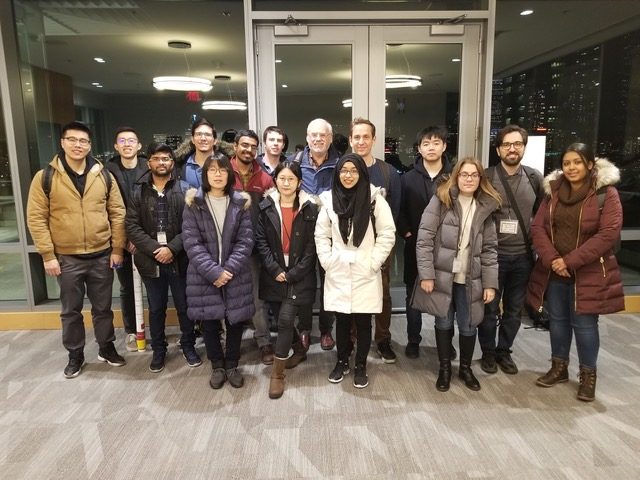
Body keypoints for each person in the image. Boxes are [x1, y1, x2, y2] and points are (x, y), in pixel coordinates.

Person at [26, 121, 127, 378]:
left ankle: (106, 347)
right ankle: (75, 354)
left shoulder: (103, 175)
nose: (77, 145)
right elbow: (36, 218)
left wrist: (117, 248)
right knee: (70, 310)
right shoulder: (46, 177)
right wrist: (48, 255)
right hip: (67, 257)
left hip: (101, 253)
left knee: (103, 308)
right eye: (72, 140)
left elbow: (117, 213)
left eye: (83, 141)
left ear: (89, 145)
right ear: (62, 142)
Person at [526, 143, 624, 402]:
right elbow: (538, 228)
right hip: (555, 270)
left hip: (589, 271)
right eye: (566, 163)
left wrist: (569, 261)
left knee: (585, 324)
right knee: (557, 320)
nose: (571, 167)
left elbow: (608, 234)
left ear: (590, 164)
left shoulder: (605, 193)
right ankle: (559, 368)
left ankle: (588, 376)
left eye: (577, 162)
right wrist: (553, 259)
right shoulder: (553, 192)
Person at [412, 157, 500, 392]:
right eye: (464, 174)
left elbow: (490, 249)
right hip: (442, 275)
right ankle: (444, 369)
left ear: (480, 179)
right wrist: (426, 275)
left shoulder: (486, 206)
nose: (469, 179)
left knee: (469, 324)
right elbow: (424, 240)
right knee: (443, 320)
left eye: (474, 175)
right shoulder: (441, 200)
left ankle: (465, 368)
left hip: (472, 278)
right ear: (456, 176)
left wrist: (490, 284)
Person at [315, 153, 396, 388]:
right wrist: (327, 261)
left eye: (353, 171)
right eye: (344, 171)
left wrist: (374, 262)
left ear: (361, 173)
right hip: (338, 268)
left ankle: (361, 365)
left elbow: (388, 233)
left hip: (365, 269)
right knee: (341, 320)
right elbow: (321, 234)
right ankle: (342, 361)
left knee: (363, 321)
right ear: (337, 173)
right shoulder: (329, 200)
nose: (348, 175)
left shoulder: (374, 199)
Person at [125, 142, 201, 373]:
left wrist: (172, 248)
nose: (161, 162)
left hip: (180, 259)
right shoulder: (138, 191)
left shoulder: (186, 189)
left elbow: (192, 225)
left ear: (172, 163)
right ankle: (159, 349)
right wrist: (155, 250)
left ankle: (188, 345)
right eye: (156, 158)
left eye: (166, 158)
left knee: (184, 306)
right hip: (150, 260)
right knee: (156, 308)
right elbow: (131, 226)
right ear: (149, 163)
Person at [182, 152, 255, 389]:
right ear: (205, 175)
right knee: (210, 322)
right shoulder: (194, 204)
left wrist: (228, 269)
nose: (217, 174)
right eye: (212, 170)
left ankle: (232, 364)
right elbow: (192, 243)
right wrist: (214, 272)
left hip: (235, 273)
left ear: (229, 174)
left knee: (235, 321)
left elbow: (246, 241)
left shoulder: (240, 203)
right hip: (204, 275)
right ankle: (217, 366)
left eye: (222, 170)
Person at [478, 124, 544, 376]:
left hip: (523, 256)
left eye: (517, 144)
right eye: (507, 144)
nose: (512, 149)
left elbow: (541, 216)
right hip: (492, 256)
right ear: (498, 149)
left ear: (524, 148)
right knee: (489, 309)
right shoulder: (486, 177)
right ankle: (487, 352)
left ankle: (503, 351)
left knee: (514, 310)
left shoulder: (534, 178)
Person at [255, 161, 319, 399]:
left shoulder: (310, 209)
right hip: (273, 272)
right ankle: (300, 350)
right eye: (282, 178)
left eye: (291, 179)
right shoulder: (265, 207)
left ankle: (277, 375)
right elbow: (260, 241)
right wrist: (274, 269)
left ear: (299, 182)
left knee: (284, 320)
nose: (286, 183)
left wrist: (294, 273)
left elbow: (313, 246)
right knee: (277, 312)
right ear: (275, 181)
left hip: (298, 274)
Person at [397, 126, 453, 359]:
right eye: (426, 144)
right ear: (419, 149)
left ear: (444, 146)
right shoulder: (407, 178)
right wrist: (408, 234)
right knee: (413, 295)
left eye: (436, 143)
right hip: (415, 247)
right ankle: (413, 340)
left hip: (448, 248)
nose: (431, 148)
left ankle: (446, 342)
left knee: (446, 294)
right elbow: (399, 211)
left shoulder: (454, 177)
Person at [348, 117, 401, 363]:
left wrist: (382, 245)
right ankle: (353, 339)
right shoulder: (344, 169)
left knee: (383, 294)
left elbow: (395, 211)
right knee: (353, 293)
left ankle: (382, 340)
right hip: (350, 246)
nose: (361, 141)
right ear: (351, 140)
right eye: (357, 137)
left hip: (379, 246)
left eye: (366, 137)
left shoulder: (388, 173)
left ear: (374, 139)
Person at [290, 118, 341, 351]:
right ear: (307, 137)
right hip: (302, 233)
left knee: (329, 281)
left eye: (323, 135)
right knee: (303, 283)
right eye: (314, 135)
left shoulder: (340, 164)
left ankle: (326, 329)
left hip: (331, 234)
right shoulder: (294, 163)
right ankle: (304, 329)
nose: (318, 139)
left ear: (330, 138)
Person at [230, 129, 276, 365]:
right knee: (230, 296)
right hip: (229, 246)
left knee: (258, 297)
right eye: (244, 145)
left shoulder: (265, 178)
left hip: (257, 247)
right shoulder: (223, 173)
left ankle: (263, 341)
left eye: (253, 147)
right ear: (235, 146)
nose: (248, 150)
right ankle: (231, 344)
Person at [107, 126, 148, 352]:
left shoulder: (148, 168)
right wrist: (124, 239)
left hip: (147, 238)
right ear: (116, 146)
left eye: (131, 140)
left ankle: (156, 331)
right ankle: (132, 331)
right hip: (121, 240)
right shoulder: (107, 172)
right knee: (127, 287)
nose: (127, 144)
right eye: (122, 141)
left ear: (138, 145)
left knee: (154, 285)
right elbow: (111, 210)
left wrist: (140, 238)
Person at [177, 117, 217, 190]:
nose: (203, 138)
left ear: (215, 140)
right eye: (198, 134)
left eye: (207, 134)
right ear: (192, 139)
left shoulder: (226, 164)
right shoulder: (180, 165)